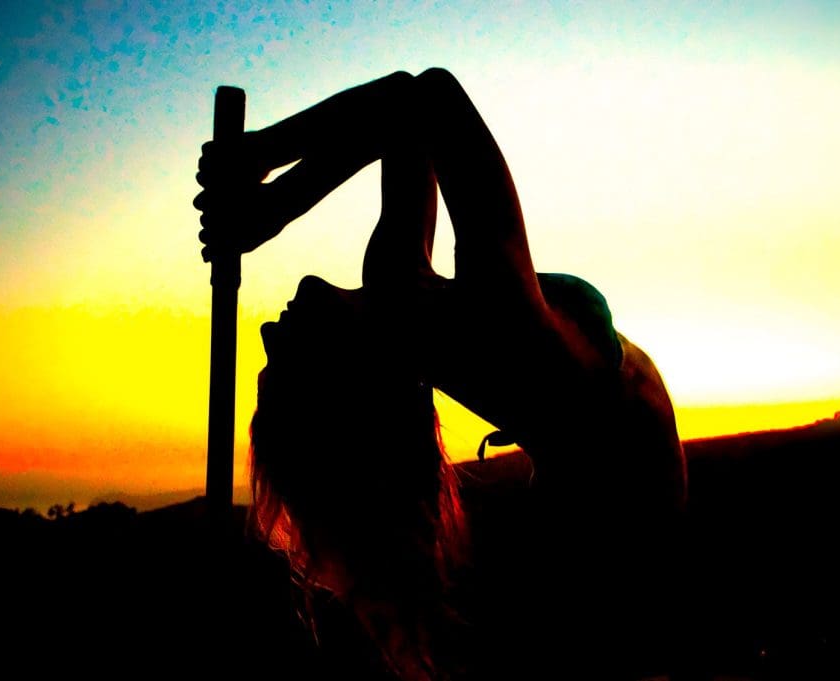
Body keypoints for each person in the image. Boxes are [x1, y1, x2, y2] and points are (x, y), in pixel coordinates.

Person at [194, 68, 687, 680]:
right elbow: (432, 98)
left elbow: (403, 105)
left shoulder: (397, 285)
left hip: (611, 507)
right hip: (630, 532)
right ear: (341, 396)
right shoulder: (499, 332)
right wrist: (266, 174)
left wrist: (267, 195)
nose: (267, 333)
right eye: (280, 365)